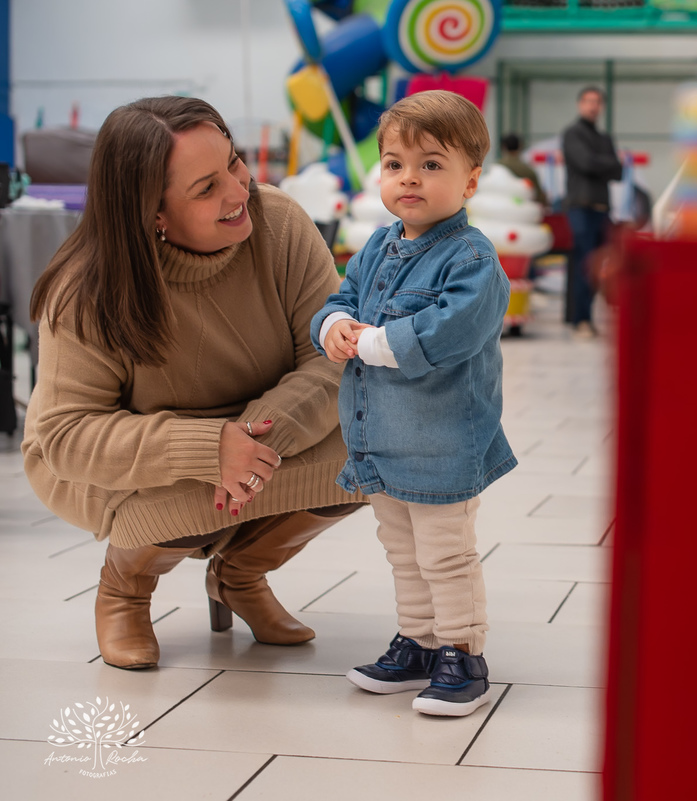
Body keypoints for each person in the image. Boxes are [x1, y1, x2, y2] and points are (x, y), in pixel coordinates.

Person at [22, 96, 364, 671]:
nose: (238, 191)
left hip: (262, 429)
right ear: (151, 212)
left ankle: (239, 574)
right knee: (188, 496)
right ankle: (125, 588)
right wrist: (210, 449)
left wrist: (254, 441)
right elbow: (66, 436)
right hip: (117, 466)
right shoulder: (86, 288)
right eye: (205, 188)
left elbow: (333, 358)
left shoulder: (278, 223)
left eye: (233, 162)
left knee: (383, 444)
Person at [311, 90, 516, 717]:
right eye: (395, 163)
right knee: (400, 545)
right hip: (381, 436)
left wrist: (372, 342)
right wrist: (333, 326)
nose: (409, 179)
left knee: (444, 549)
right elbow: (339, 296)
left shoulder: (473, 259)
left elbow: (450, 331)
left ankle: (462, 653)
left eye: (431, 164)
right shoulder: (375, 245)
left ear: (470, 179)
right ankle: (418, 641)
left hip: (442, 439)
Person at [561, 85, 624, 337]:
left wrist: (603, 163)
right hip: (581, 209)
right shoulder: (572, 133)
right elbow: (586, 163)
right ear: (580, 104)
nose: (592, 106)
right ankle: (581, 320)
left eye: (597, 101)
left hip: (603, 211)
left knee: (601, 267)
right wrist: (607, 162)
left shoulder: (605, 138)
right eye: (588, 101)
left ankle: (590, 318)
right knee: (584, 266)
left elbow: (618, 171)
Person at [498, 132, 547, 206]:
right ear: (520, 146)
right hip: (522, 212)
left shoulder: (496, 167)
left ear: (503, 147)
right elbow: (539, 197)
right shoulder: (528, 170)